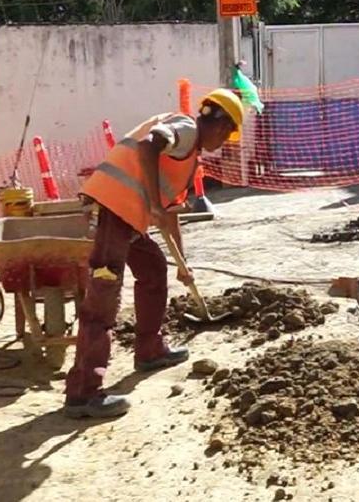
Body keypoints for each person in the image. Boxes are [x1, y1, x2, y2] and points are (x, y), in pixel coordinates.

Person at [64, 89, 244, 418]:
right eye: (227, 135)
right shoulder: (186, 129)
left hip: (127, 217)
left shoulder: (190, 156)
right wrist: (152, 203)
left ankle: (149, 350)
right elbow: (149, 145)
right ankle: (83, 392)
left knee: (154, 269)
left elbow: (169, 215)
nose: (224, 142)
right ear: (221, 126)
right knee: (103, 299)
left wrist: (182, 263)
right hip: (114, 210)